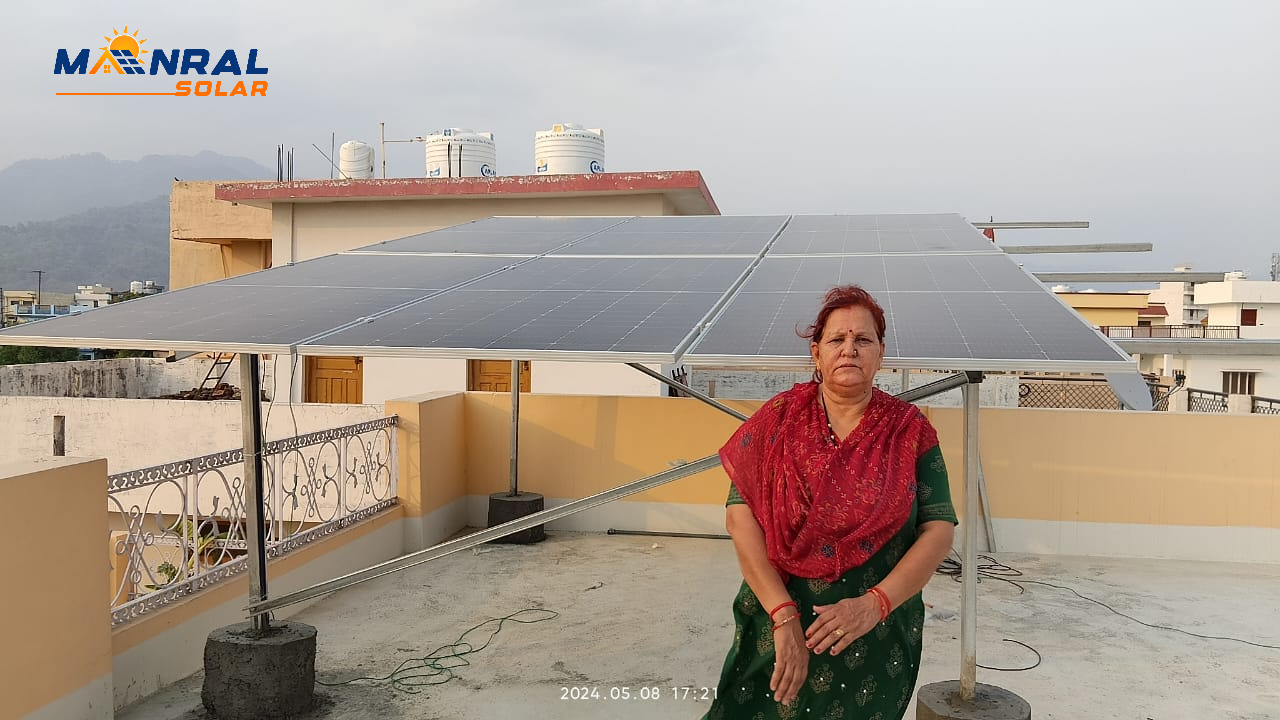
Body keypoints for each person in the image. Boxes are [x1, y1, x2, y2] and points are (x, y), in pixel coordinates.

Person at [701, 285, 957, 720]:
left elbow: (939, 528)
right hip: (777, 623)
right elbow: (739, 519)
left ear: (880, 353)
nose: (849, 349)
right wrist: (783, 616)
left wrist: (874, 605)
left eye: (863, 340)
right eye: (837, 339)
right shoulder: (778, 419)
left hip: (876, 635)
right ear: (816, 353)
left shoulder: (909, 431)